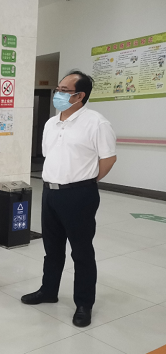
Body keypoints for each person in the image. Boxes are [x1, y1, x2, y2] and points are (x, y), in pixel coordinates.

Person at [21, 70, 117, 328]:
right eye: (58, 89)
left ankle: (84, 304)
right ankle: (48, 291)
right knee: (52, 248)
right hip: (50, 192)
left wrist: (85, 181)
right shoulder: (51, 123)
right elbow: (49, 155)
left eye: (64, 90)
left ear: (80, 95)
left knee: (81, 251)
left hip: (79, 194)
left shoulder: (96, 123)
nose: (58, 94)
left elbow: (108, 159)